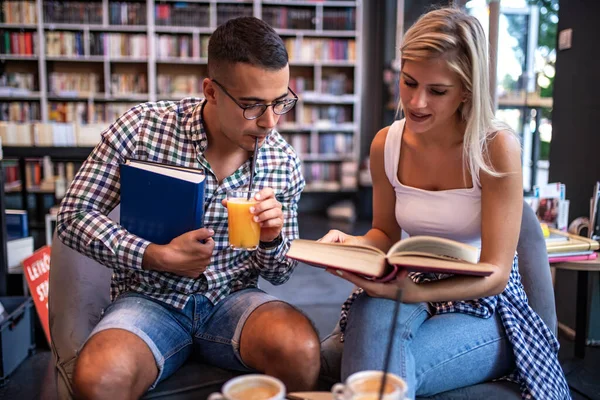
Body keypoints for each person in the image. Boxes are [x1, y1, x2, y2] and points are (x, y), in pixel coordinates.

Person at [56, 17, 320, 399]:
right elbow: (74, 216)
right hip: (149, 299)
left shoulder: (283, 160)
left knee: (302, 350)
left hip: (235, 300)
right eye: (251, 106)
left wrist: (272, 240)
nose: (270, 122)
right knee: (99, 378)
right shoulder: (142, 129)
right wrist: (154, 255)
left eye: (280, 102)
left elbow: (280, 274)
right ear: (210, 91)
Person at [319, 8, 570, 400]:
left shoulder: (495, 147)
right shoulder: (386, 143)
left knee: (372, 378)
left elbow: (497, 275)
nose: (416, 101)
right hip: (410, 280)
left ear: (466, 89)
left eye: (437, 91)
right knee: (371, 322)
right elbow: (384, 234)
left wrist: (413, 295)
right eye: (409, 82)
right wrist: (351, 244)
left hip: (484, 302)